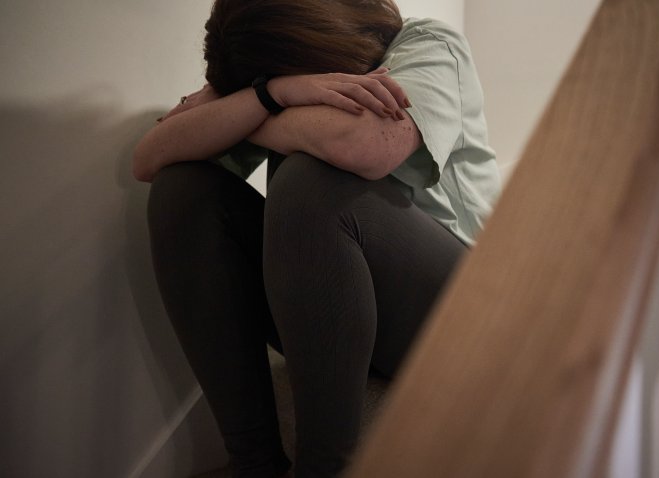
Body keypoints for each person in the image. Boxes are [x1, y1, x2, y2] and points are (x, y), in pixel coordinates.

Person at [133, 0, 500, 476]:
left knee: (314, 180)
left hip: (466, 313)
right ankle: (253, 463)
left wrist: (248, 111)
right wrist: (273, 94)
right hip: (344, 313)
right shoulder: (277, 76)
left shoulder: (428, 42)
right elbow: (149, 159)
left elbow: (366, 145)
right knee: (184, 190)